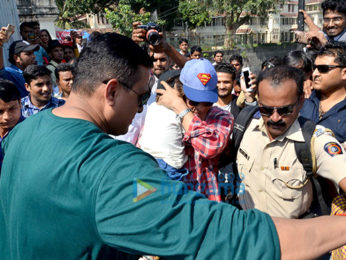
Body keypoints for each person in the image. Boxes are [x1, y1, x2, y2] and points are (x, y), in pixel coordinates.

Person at [2, 32, 346, 260]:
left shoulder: (22, 134)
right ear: (111, 91)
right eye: (140, 98)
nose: (142, 109)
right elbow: (221, 234)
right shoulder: (115, 171)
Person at [235, 65, 346, 219]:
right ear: (258, 100)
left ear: (300, 101)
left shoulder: (314, 140)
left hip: (292, 239)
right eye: (266, 110)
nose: (274, 118)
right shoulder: (244, 126)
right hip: (247, 228)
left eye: (284, 110)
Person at [157, 59, 234, 202]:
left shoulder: (222, 116)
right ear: (182, 93)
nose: (200, 108)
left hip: (206, 199)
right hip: (174, 197)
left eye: (207, 103)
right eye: (193, 101)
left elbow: (209, 147)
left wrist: (182, 109)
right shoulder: (167, 115)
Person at [138, 70, 188, 181]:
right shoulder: (178, 112)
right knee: (170, 195)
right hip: (169, 165)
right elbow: (190, 132)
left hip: (146, 160)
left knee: (146, 194)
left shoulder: (152, 107)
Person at [300, 42, 346, 147]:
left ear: (344, 73)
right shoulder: (302, 99)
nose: (315, 74)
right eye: (314, 67)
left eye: (323, 69)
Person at [0, 27, 39, 98]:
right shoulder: (10, 73)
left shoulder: (33, 73)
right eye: (28, 54)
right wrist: (0, 44)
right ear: (16, 58)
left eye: (33, 53)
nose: (33, 56)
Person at [0, 79, 23, 170]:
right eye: (0, 112)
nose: (7, 117)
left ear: (20, 103)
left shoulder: (32, 132)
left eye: (12, 109)